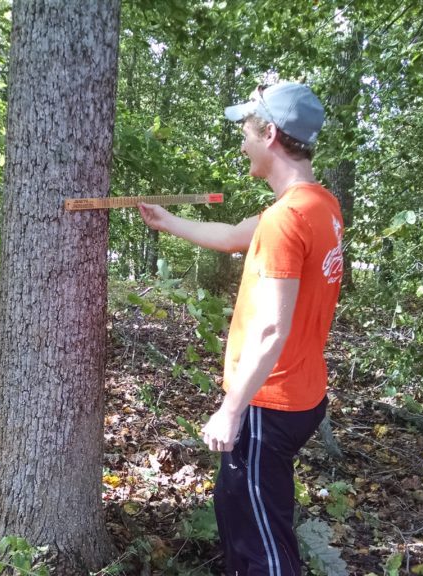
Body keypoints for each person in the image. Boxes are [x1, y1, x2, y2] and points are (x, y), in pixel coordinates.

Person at [139, 82, 344, 575]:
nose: (242, 142)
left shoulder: (286, 218)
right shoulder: (316, 205)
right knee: (246, 516)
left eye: (247, 132)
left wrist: (231, 411)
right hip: (299, 393)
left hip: (267, 404)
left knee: (262, 547)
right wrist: (169, 222)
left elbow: (273, 330)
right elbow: (232, 236)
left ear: (270, 133)